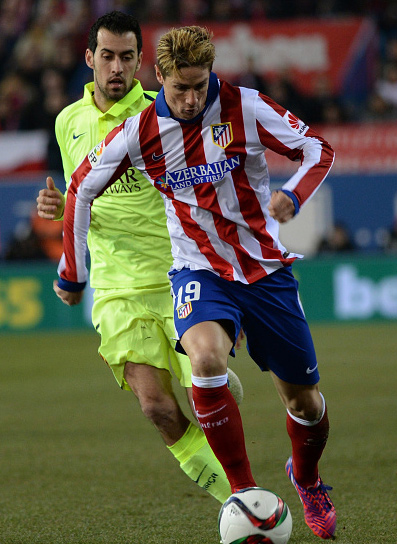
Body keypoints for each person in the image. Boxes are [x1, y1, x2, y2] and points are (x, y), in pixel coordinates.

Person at [53, 25, 337, 540]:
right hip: (196, 270)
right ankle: (244, 494)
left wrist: (293, 195)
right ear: (159, 77)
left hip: (264, 271)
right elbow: (81, 189)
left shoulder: (245, 107)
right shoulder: (140, 130)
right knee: (204, 360)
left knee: (306, 404)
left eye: (199, 87)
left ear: (211, 76)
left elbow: (317, 148)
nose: (189, 99)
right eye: (179, 88)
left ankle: (307, 477)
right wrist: (73, 273)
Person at [37, 13, 246, 504]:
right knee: (155, 407)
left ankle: (236, 464)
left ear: (140, 62)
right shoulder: (68, 122)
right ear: (89, 58)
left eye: (127, 57)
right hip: (116, 287)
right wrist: (61, 207)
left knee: (207, 390)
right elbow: (82, 194)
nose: (117, 67)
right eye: (107, 56)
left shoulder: (164, 112)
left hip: (179, 274)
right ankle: (239, 499)